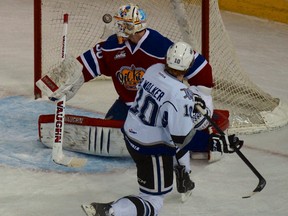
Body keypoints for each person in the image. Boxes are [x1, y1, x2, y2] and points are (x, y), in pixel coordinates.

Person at [36, 3, 225, 196]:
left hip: (161, 110)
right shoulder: (112, 46)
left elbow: (201, 68)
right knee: (113, 128)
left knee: (184, 133)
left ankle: (207, 140)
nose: (117, 28)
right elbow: (85, 64)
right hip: (130, 107)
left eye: (121, 25)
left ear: (130, 28)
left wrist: (199, 99)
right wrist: (63, 80)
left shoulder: (160, 46)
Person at [81, 41, 243, 216]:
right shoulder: (181, 96)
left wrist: (189, 103)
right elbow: (181, 138)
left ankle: (183, 174)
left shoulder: (153, 69)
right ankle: (111, 211)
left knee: (169, 135)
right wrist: (213, 140)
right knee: (153, 200)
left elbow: (166, 95)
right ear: (188, 67)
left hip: (131, 133)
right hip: (151, 148)